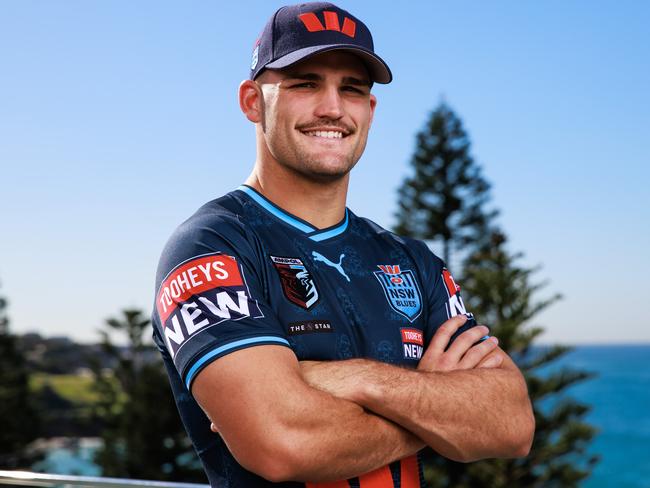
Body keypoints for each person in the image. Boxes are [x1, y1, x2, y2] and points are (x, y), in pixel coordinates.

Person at [151, 2, 535, 487]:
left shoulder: (411, 262)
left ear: (369, 111)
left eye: (352, 89)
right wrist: (437, 407)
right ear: (252, 101)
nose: (332, 107)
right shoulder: (213, 244)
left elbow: (512, 425)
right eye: (304, 83)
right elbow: (283, 444)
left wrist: (358, 380)